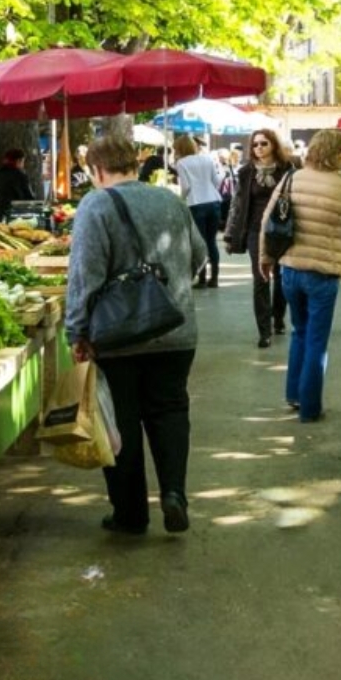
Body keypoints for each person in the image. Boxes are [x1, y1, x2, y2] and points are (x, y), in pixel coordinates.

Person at [66, 134, 207, 536]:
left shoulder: (95, 205)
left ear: (95, 169)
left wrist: (76, 330)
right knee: (170, 410)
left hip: (118, 335)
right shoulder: (170, 200)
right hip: (176, 328)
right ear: (134, 162)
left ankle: (130, 514)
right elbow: (198, 255)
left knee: (120, 421)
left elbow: (85, 275)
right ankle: (175, 494)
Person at [258, 129, 341, 422]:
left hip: (290, 270)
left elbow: (268, 219)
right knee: (317, 340)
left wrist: (266, 258)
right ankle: (311, 408)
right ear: (335, 154)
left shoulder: (292, 178)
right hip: (323, 275)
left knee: (299, 333)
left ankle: (294, 395)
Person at [225, 128, 295, 348]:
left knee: (282, 277)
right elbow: (236, 204)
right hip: (255, 230)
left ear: (273, 144)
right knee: (260, 278)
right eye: (255, 145)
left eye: (263, 143)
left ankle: (278, 317)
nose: (259, 148)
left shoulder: (287, 169)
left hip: (282, 229)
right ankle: (264, 331)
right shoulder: (246, 172)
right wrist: (230, 234)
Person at [173, 133, 224, 289]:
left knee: (199, 243)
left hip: (196, 204)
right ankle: (214, 278)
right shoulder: (207, 159)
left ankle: (202, 279)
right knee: (211, 241)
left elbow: (186, 187)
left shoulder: (181, 163)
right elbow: (216, 181)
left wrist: (181, 200)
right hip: (214, 202)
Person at [0, 148, 33, 226]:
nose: (23, 165)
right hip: (7, 220)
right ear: (18, 161)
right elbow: (28, 198)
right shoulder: (19, 175)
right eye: (23, 162)